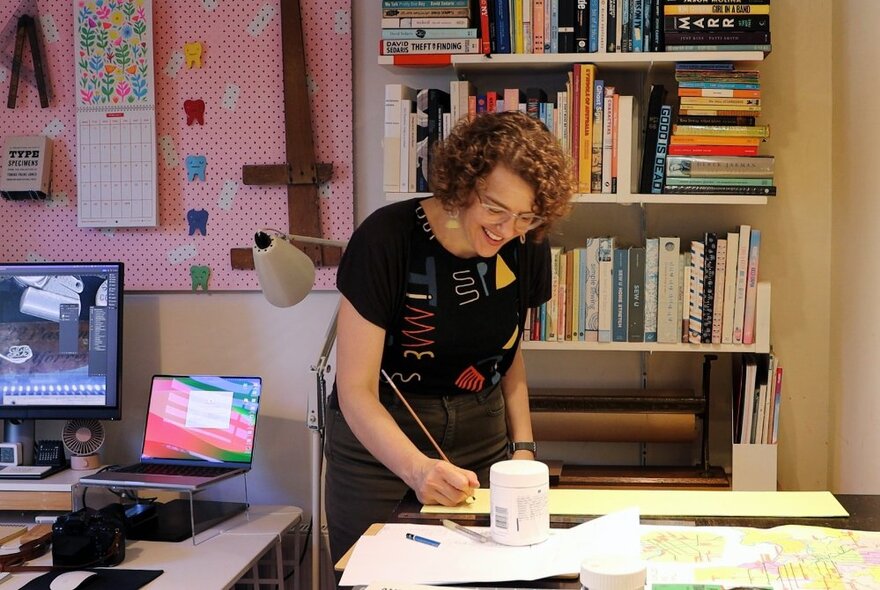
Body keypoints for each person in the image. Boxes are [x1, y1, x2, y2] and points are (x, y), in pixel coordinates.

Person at [324, 110, 575, 565]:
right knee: (374, 573)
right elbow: (355, 389)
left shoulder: (527, 244)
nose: (507, 229)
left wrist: (523, 448)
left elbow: (507, 352)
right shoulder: (386, 240)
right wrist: (416, 467)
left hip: (482, 431)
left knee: (483, 572)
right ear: (462, 182)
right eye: (495, 209)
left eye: (525, 216)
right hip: (379, 440)